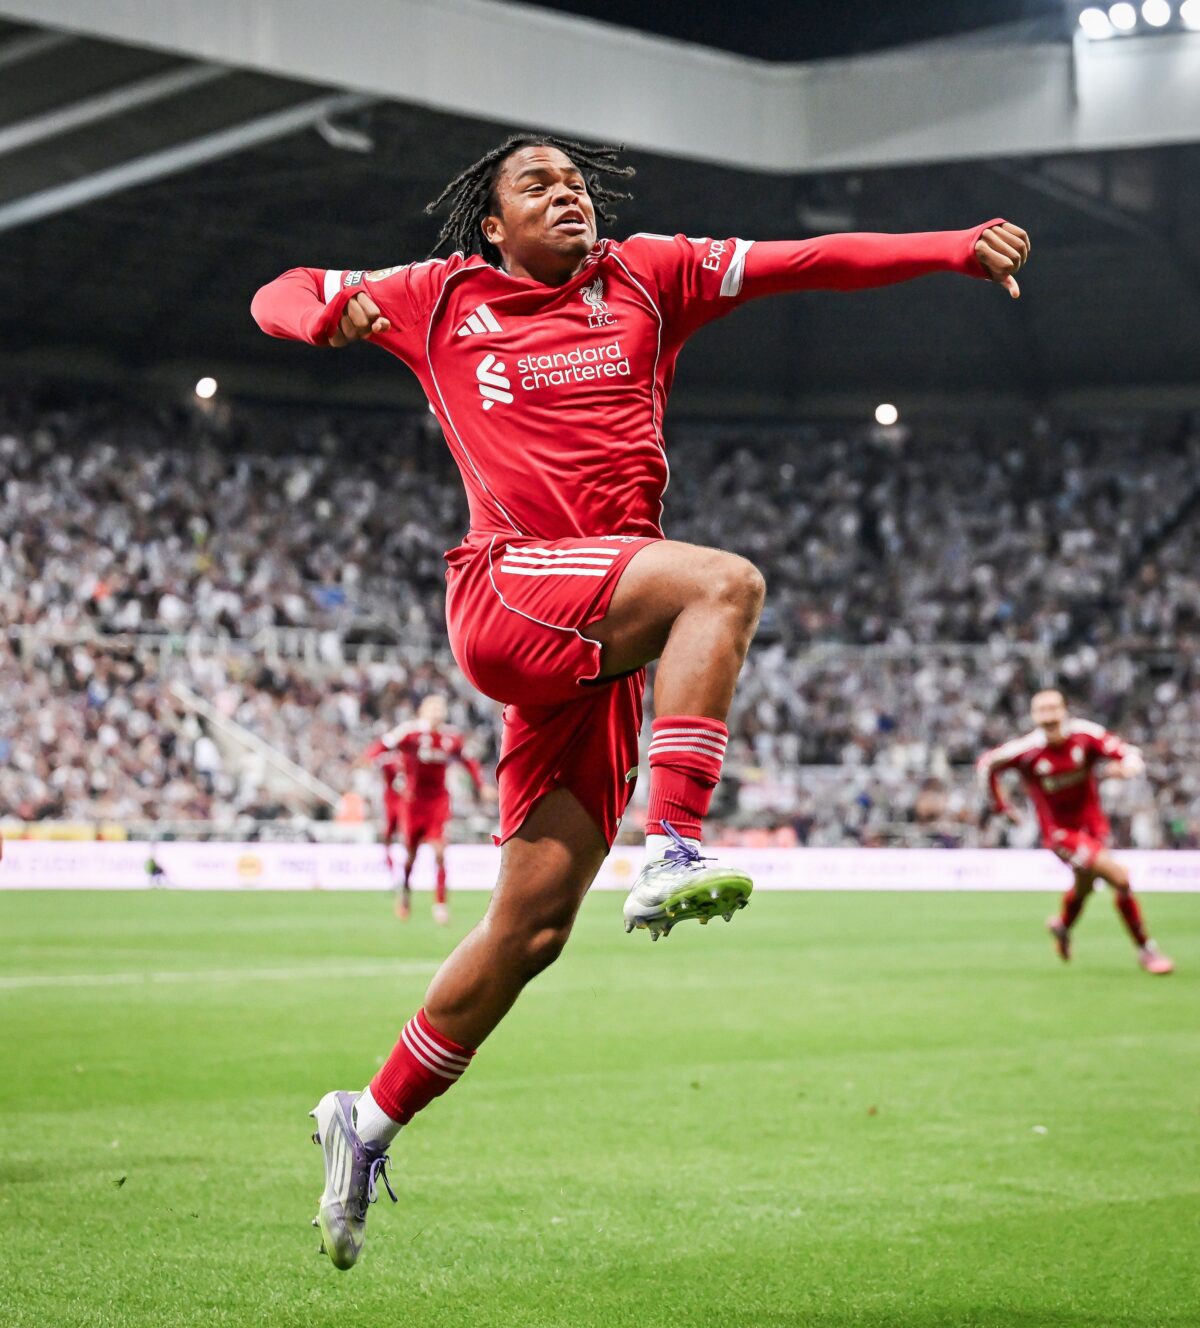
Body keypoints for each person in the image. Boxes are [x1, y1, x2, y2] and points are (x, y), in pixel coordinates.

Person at [252, 132, 1030, 1269]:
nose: (567, 194)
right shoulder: (438, 295)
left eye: (576, 182)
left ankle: (364, 1121)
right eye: (537, 185)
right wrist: (327, 314)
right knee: (724, 583)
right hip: (512, 586)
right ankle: (674, 844)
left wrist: (951, 247)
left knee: (532, 928)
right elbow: (278, 290)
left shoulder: (649, 274)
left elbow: (807, 262)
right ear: (492, 225)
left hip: (604, 636)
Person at [978, 689, 1173, 975]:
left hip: (1093, 827)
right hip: (1060, 835)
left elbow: (1129, 753)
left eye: (1053, 708)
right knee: (1120, 878)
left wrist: (1127, 767)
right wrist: (999, 807)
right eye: (1042, 709)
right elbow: (986, 764)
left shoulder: (1084, 735)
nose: (1048, 715)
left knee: (1084, 886)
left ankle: (1063, 926)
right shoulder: (1026, 751)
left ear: (1064, 711)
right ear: (1033, 716)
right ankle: (1147, 950)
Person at [363, 694, 484, 923]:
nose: (437, 712)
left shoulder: (451, 737)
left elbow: (469, 761)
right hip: (412, 803)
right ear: (422, 711)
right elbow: (383, 745)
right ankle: (405, 894)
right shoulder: (410, 732)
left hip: (438, 801)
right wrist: (368, 758)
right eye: (433, 707)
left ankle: (440, 904)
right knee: (410, 855)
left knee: (440, 851)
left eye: (440, 708)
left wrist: (481, 785)